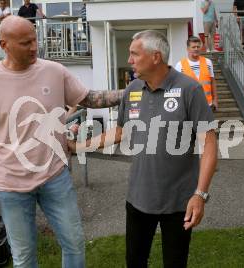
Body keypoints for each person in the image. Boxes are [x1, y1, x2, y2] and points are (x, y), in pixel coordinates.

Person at [0, 16, 124, 267]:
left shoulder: (54, 71)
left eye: (35, 39)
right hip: (11, 185)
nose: (34, 47)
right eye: (26, 42)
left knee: (74, 244)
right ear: (4, 44)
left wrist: (132, 93)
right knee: (24, 257)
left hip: (55, 178)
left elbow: (90, 99)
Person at [70, 30, 217, 267]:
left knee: (175, 262)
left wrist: (200, 195)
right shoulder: (133, 89)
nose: (129, 60)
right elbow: (119, 132)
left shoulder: (190, 90)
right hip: (138, 199)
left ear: (155, 57)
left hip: (179, 201)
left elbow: (209, 145)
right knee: (135, 261)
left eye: (134, 54)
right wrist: (78, 146)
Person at [175, 36, 218, 111]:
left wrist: (215, 100)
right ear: (188, 49)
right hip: (189, 106)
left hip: (207, 105)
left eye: (198, 47)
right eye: (193, 47)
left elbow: (212, 82)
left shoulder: (208, 62)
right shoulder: (180, 65)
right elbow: (176, 87)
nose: (196, 49)